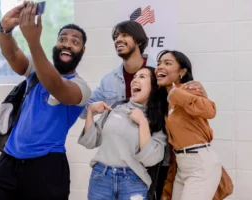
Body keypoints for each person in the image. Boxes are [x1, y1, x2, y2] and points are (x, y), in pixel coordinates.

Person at [80, 20, 208, 199]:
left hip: (157, 163)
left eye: (124, 35)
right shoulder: (109, 79)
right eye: (116, 37)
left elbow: (183, 98)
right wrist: (71, 91)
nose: (118, 40)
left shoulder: (158, 74)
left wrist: (198, 90)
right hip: (108, 170)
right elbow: (86, 113)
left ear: (139, 41)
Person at [0, 2, 91, 200]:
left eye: (75, 42)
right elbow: (12, 54)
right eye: (62, 39)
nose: (67, 43)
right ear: (56, 45)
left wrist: (33, 42)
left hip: (47, 166)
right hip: (9, 159)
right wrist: (5, 28)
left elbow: (56, 86)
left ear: (82, 51)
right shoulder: (36, 70)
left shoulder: (81, 87)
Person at [78, 67, 167, 200]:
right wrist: (90, 111)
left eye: (142, 77)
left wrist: (143, 123)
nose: (135, 80)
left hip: (133, 182)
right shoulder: (116, 108)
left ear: (154, 87)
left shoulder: (158, 119)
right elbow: (91, 141)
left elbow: (151, 159)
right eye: (135, 77)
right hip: (101, 177)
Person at [155, 50, 221, 200]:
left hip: (200, 163)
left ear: (182, 72)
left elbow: (210, 111)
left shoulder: (188, 89)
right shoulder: (164, 100)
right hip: (182, 166)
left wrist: (176, 93)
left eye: (167, 63)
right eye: (158, 64)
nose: (160, 67)